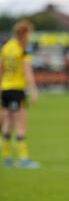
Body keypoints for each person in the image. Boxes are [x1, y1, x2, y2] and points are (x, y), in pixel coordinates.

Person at [0, 20, 40, 168]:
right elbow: (27, 71)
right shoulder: (22, 49)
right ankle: (23, 159)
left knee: (7, 123)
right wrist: (34, 90)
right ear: (24, 33)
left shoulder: (6, 47)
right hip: (17, 89)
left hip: (5, 89)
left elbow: (1, 68)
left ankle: (6, 158)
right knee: (20, 124)